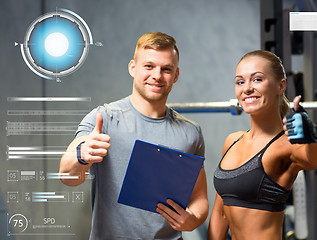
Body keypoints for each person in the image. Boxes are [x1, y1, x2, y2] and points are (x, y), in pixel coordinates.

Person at [59, 32, 208, 239]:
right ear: (133, 68)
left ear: (176, 75)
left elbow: (199, 197)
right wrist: (81, 154)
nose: (157, 75)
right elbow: (67, 176)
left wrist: (194, 219)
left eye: (166, 69)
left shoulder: (190, 132)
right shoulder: (104, 118)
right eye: (149, 66)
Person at [208, 50, 317, 240]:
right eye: (240, 81)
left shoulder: (287, 144)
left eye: (257, 79)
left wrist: (312, 136)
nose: (246, 88)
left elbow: (315, 158)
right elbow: (221, 213)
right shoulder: (232, 141)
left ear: (281, 86)